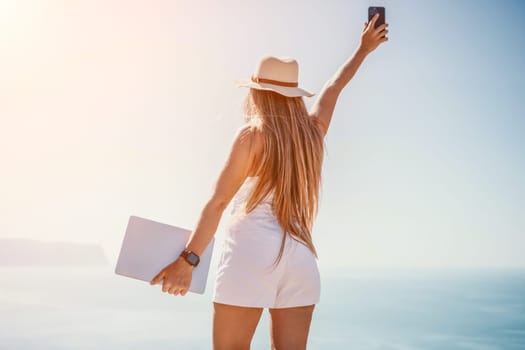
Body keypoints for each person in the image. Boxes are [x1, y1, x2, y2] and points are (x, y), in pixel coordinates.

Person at [150, 13, 388, 350]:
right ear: (293, 95)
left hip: (250, 254)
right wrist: (363, 49)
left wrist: (188, 260)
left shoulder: (253, 135)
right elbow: (334, 88)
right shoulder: (313, 133)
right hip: (301, 261)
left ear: (258, 92)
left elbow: (218, 201)